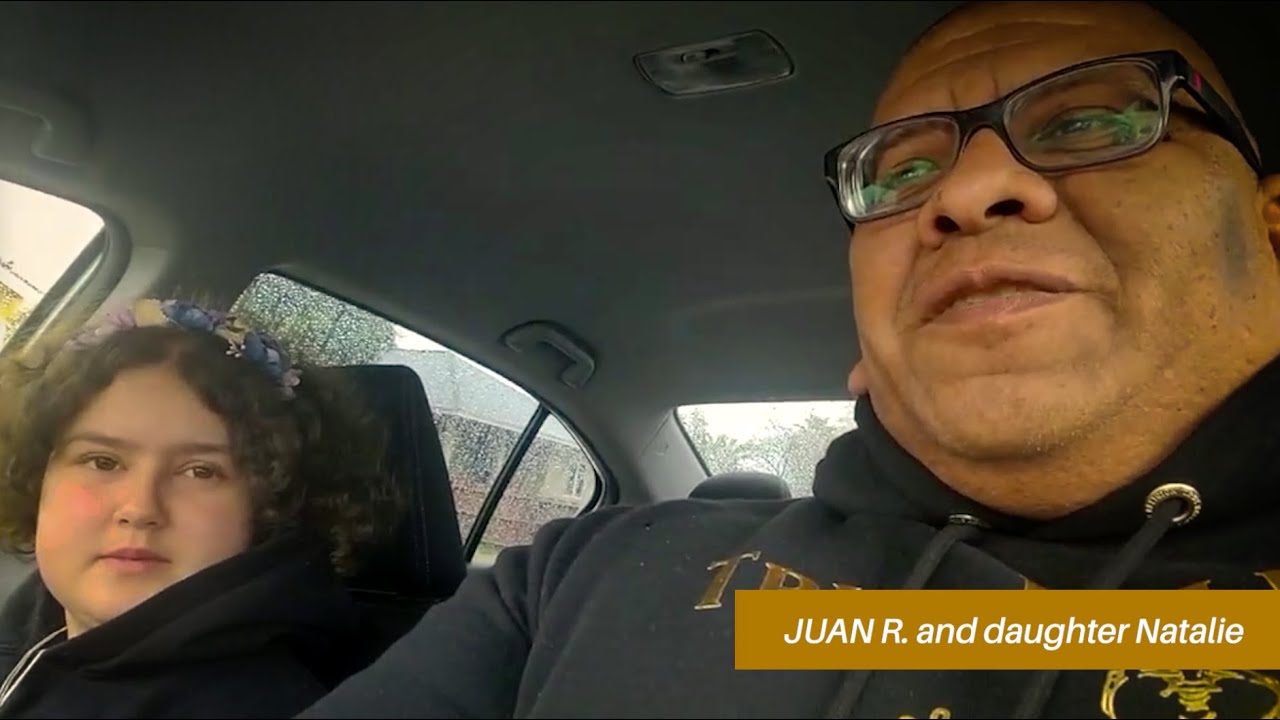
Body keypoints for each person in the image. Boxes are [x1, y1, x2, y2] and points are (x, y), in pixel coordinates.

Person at [298, 1, 1280, 718]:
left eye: (1086, 122)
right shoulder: (576, 581)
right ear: (870, 350)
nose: (967, 189)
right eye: (902, 170)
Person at [0, 297, 401, 718]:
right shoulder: (33, 622)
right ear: (35, 476)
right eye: (102, 461)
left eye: (200, 472)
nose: (140, 507)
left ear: (271, 507)